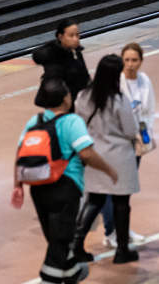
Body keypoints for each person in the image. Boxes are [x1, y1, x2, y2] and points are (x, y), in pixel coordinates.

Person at [16, 77, 118, 284]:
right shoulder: (72, 122)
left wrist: (17, 185)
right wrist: (109, 170)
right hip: (65, 187)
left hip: (38, 189)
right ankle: (49, 279)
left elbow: (21, 154)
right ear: (65, 99)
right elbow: (87, 154)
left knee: (56, 238)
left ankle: (72, 272)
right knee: (61, 240)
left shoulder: (34, 122)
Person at [72, 55, 141, 265]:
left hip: (94, 155)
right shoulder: (119, 100)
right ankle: (122, 250)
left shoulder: (83, 96)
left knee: (94, 201)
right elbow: (130, 130)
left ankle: (76, 246)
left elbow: (78, 123)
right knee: (121, 203)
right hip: (119, 157)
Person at [101, 42, 154, 248]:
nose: (130, 65)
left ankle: (123, 229)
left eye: (135, 60)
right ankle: (110, 231)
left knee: (126, 190)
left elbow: (149, 111)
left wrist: (145, 135)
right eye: (127, 60)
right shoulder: (116, 84)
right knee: (112, 189)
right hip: (117, 145)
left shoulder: (145, 81)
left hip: (137, 142)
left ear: (141, 61)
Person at [33, 19, 91, 97]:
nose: (75, 39)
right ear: (60, 37)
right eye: (71, 35)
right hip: (64, 101)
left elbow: (84, 74)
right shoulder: (52, 55)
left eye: (77, 35)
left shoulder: (76, 50)